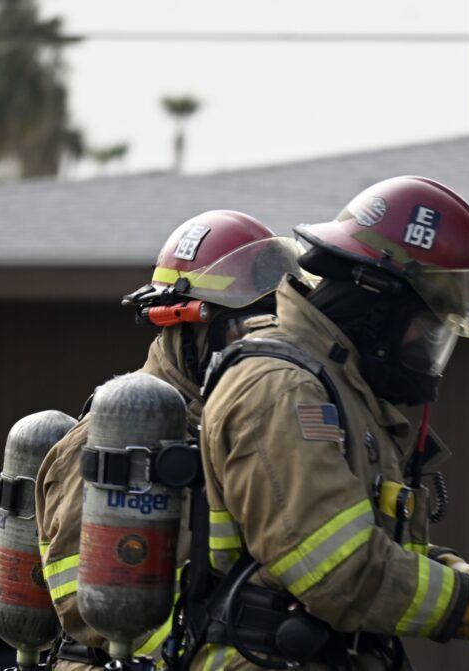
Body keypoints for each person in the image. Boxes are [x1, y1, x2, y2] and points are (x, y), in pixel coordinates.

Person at [191, 176, 469, 670]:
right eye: (429, 326)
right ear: (376, 303)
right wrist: (467, 608)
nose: (429, 349)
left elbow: (367, 542)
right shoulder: (282, 388)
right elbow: (332, 568)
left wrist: (460, 577)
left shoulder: (339, 386)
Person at [34, 210, 305, 670]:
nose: (260, 353)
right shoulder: (110, 440)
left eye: (274, 331)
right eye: (244, 331)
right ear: (184, 326)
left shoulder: (241, 427)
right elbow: (86, 608)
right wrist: (236, 634)